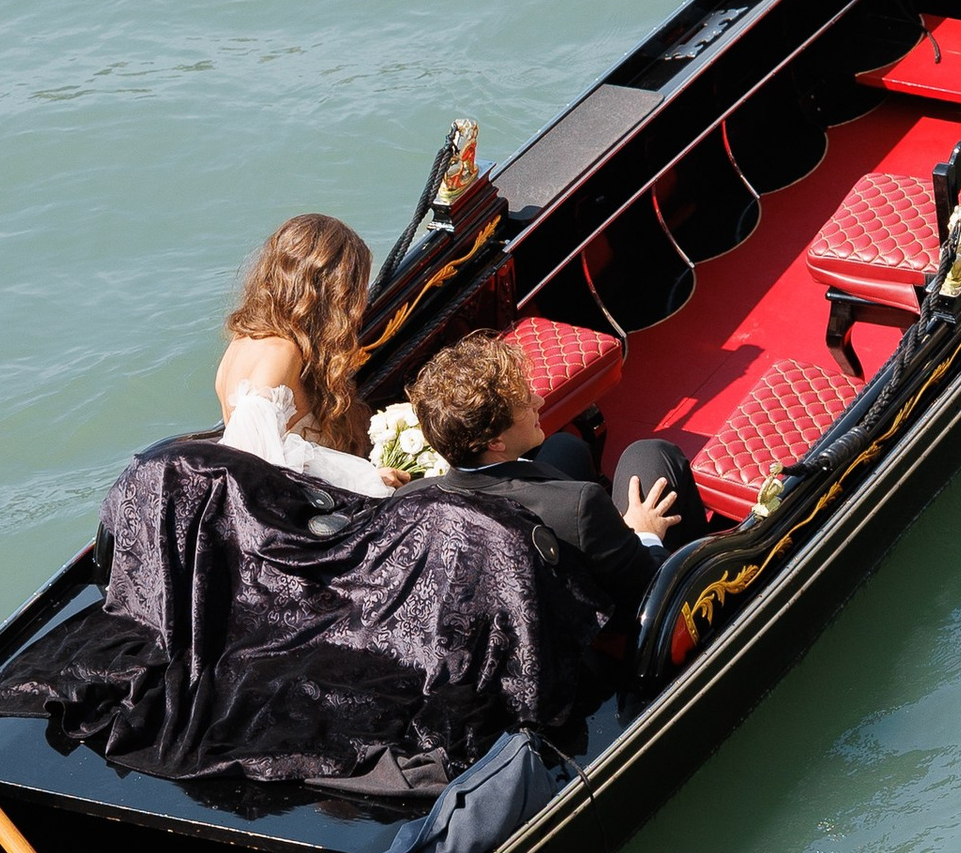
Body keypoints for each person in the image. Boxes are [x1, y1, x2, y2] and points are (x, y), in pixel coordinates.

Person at [409, 331, 708, 620]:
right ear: (495, 443)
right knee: (651, 454)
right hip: (609, 615)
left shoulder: (411, 498)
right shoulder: (579, 506)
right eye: (525, 402)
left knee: (564, 447)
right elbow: (647, 587)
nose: (538, 400)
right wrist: (645, 532)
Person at [215, 212, 391, 497]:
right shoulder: (281, 353)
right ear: (330, 291)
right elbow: (262, 475)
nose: (360, 307)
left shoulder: (241, 341)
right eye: (355, 291)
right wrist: (367, 479)